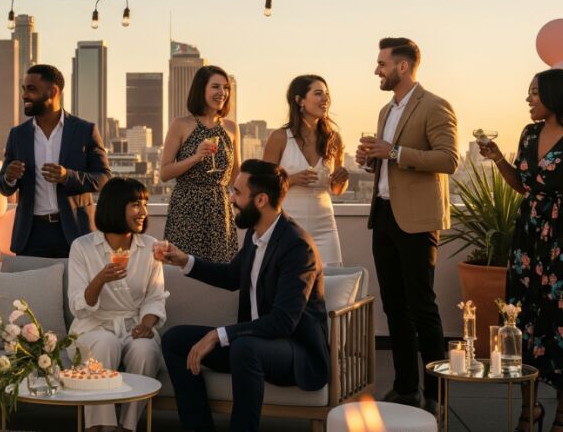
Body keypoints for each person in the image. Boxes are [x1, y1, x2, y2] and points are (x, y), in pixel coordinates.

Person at [478, 68, 563, 432]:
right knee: (520, 320)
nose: (528, 99)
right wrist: (497, 159)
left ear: (554, 94)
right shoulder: (529, 133)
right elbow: (523, 186)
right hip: (528, 234)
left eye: (534, 92)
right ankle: (530, 407)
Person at [157, 159, 328, 432]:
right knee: (175, 340)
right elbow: (231, 277)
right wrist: (184, 260)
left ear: (260, 200)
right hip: (249, 346)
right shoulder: (255, 235)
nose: (230, 198)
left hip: (292, 351)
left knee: (244, 347)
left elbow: (284, 323)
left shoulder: (297, 246)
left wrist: (219, 334)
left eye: (237, 192)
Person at [356, 37, 458, 414]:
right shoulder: (386, 111)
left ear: (402, 67)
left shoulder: (434, 106)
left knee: (422, 307)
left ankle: (436, 395)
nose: (376, 70)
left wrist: (394, 152)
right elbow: (389, 163)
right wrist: (371, 160)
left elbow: (448, 159)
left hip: (416, 221)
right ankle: (405, 389)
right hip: (383, 215)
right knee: (394, 307)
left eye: (381, 63)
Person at [67, 178, 168, 432]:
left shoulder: (149, 249)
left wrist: (146, 325)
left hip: (133, 325)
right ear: (114, 206)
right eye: (135, 204)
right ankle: (101, 426)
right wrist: (100, 279)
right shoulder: (82, 247)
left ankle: (128, 425)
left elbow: (155, 297)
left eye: (144, 204)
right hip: (92, 327)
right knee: (106, 343)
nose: (143, 212)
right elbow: (78, 306)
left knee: (145, 350)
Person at [0, 64, 111, 258]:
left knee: (76, 289)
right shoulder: (18, 135)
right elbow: (3, 187)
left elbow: (104, 178)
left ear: (53, 91)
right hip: (31, 235)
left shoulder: (85, 131)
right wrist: (9, 177)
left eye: (31, 89)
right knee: (32, 290)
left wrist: (68, 177)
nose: (24, 95)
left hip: (75, 233)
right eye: (24, 89)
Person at [264, 74, 349, 267]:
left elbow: (336, 190)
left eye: (326, 94)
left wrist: (341, 179)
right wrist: (291, 179)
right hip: (288, 223)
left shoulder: (335, 139)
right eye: (318, 94)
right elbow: (264, 183)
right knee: (289, 281)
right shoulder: (279, 138)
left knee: (330, 282)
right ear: (299, 100)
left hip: (325, 226)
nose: (325, 99)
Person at [161, 65, 240, 264]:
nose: (222, 92)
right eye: (215, 87)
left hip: (220, 209)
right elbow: (164, 173)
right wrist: (195, 158)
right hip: (187, 207)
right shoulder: (180, 124)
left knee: (221, 272)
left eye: (226, 87)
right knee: (182, 270)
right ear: (201, 89)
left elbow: (236, 175)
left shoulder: (231, 128)